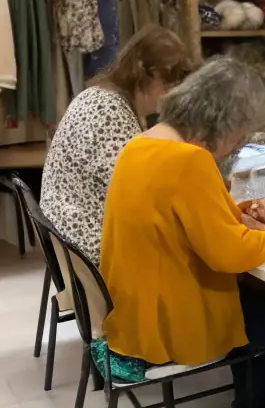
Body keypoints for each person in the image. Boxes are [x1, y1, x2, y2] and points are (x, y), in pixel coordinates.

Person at [100, 57, 265, 408]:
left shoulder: (142, 144)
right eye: (238, 136)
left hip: (135, 313)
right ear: (221, 122)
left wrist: (237, 211)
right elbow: (230, 255)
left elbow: (176, 217)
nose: (235, 146)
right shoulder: (190, 161)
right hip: (172, 323)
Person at [40, 25, 193, 262]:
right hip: (90, 248)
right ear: (147, 73)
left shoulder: (100, 97)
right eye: (167, 85)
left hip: (69, 237)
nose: (168, 95)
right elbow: (138, 194)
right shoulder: (108, 110)